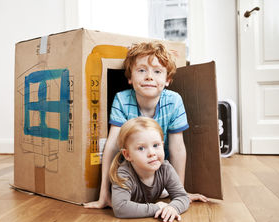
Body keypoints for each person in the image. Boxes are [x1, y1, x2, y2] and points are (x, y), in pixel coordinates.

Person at [84, 41, 207, 209]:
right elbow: (112, 146)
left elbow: (177, 148)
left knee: (164, 171)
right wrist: (104, 194)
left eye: (157, 72)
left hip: (158, 170)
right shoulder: (122, 99)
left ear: (168, 80)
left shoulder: (173, 101)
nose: (149, 76)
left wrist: (180, 193)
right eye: (141, 70)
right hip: (132, 169)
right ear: (129, 78)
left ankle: (162, 192)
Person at [109, 117, 190, 222]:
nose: (152, 153)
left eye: (156, 145)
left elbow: (182, 197)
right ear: (127, 154)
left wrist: (172, 208)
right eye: (141, 148)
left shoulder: (165, 169)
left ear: (162, 145)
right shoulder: (124, 174)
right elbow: (120, 208)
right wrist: (157, 208)